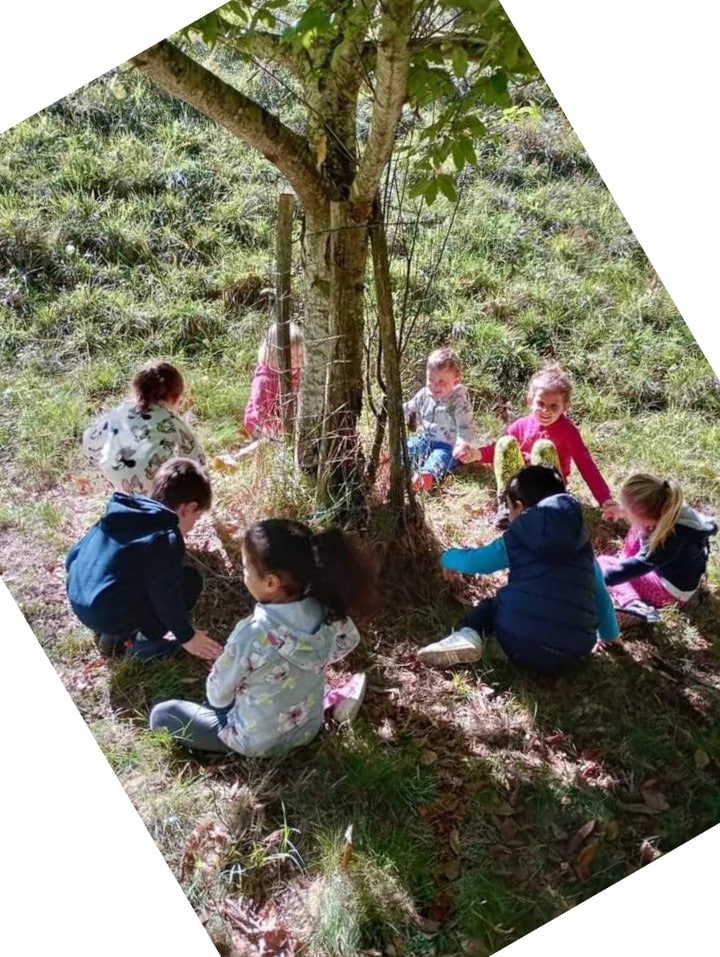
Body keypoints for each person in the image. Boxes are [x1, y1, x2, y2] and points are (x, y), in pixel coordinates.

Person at [149, 518, 372, 755]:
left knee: (163, 715)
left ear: (270, 582)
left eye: (245, 568)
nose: (242, 573)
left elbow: (217, 697)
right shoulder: (326, 609)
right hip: (307, 728)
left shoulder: (252, 634)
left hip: (256, 742)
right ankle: (332, 703)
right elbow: (349, 639)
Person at [417, 465, 620, 674]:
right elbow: (600, 594)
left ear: (520, 507)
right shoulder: (581, 542)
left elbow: (479, 562)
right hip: (575, 651)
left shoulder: (519, 535)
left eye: (509, 508)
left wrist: (449, 557)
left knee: (493, 604)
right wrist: (610, 636)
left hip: (522, 643)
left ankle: (468, 635)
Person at [66, 458, 222, 662]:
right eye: (197, 517)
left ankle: (113, 631)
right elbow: (165, 595)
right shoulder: (165, 538)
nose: (193, 525)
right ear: (188, 508)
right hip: (106, 613)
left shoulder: (123, 511)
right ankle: (138, 641)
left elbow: (73, 556)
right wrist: (188, 637)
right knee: (190, 581)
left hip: (79, 596)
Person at [458, 362, 619, 527]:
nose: (545, 410)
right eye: (540, 403)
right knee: (506, 442)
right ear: (530, 400)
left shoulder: (568, 431)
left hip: (548, 489)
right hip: (520, 487)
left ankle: (547, 510)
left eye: (553, 406)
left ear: (565, 406)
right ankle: (508, 506)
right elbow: (498, 451)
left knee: (543, 447)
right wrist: (476, 454)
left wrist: (605, 499)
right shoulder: (521, 425)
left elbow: (586, 465)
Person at [598, 472, 717, 623]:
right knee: (637, 529)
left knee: (602, 563)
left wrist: (596, 579)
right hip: (673, 576)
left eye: (628, 513)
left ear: (649, 519)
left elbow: (641, 564)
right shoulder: (671, 510)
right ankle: (625, 567)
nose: (626, 516)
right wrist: (622, 510)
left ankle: (634, 605)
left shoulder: (669, 539)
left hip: (669, 593)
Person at [82, 360, 205, 495]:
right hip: (159, 486)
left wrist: (104, 465)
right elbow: (196, 460)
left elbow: (89, 440)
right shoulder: (171, 422)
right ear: (175, 398)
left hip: (118, 477)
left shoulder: (118, 413)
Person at [213, 321, 304, 472]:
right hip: (260, 422)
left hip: (286, 418)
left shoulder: (299, 372)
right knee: (273, 440)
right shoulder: (265, 380)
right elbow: (261, 413)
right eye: (292, 357)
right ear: (273, 355)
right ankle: (235, 458)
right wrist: (283, 427)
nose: (297, 361)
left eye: (300, 355)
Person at [403, 347, 478, 492]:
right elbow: (411, 405)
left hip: (447, 444)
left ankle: (426, 476)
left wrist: (462, 444)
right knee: (409, 447)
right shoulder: (425, 393)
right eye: (430, 379)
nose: (435, 386)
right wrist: (395, 410)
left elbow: (465, 426)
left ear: (455, 382)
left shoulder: (458, 401)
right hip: (424, 437)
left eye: (442, 382)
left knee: (440, 458)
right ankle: (399, 462)